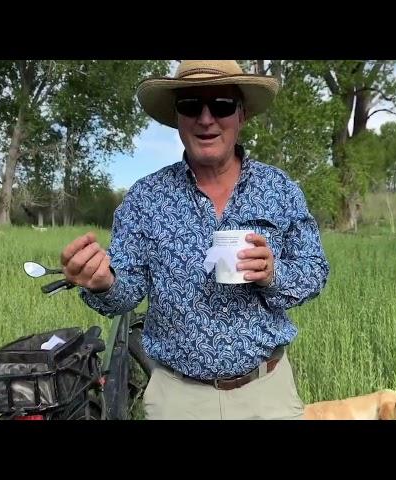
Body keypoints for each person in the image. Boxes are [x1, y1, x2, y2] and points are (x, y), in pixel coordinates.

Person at [60, 60, 330, 420]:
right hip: (177, 398)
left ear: (241, 115)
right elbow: (126, 292)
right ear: (177, 117)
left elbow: (315, 271)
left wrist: (272, 274)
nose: (206, 119)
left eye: (221, 105)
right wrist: (103, 283)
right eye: (191, 106)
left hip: (267, 395)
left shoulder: (279, 190)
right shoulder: (146, 198)